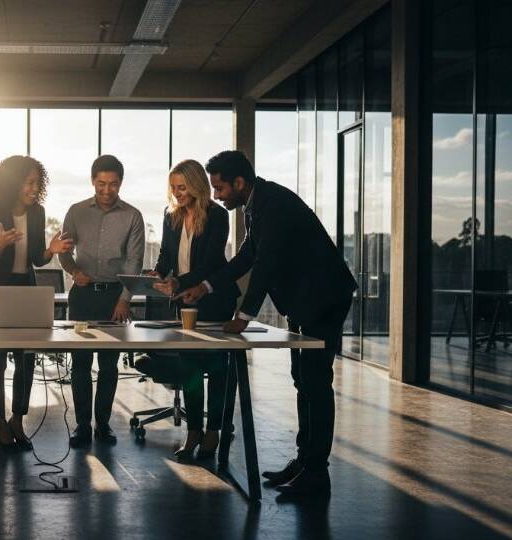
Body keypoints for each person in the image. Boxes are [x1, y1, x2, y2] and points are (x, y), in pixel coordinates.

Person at [176, 150, 357, 495]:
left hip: (324, 299)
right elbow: (247, 256)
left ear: (238, 182)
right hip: (305, 302)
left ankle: (316, 472)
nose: (216, 195)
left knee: (316, 383)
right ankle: (305, 461)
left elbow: (266, 264)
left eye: (220, 188)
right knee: (303, 380)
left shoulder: (273, 204)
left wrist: (244, 316)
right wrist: (206, 286)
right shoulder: (256, 205)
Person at [0, 155, 74, 450]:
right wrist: (0, 243)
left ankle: (17, 419)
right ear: (13, 183)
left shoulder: (37, 212)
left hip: (24, 290)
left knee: (26, 359)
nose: (34, 188)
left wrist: (51, 250)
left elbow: (37, 259)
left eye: (37, 183)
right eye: (29, 182)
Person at [144, 159, 240, 460]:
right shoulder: (171, 216)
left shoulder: (217, 215)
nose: (177, 193)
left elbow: (211, 262)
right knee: (190, 368)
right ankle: (194, 431)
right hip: (184, 300)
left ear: (197, 186)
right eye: (173, 187)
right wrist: (158, 274)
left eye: (183, 187)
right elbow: (166, 255)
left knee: (217, 367)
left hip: (214, 298)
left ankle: (214, 431)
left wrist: (178, 281)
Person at [59, 154, 145, 447]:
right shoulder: (76, 211)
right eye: (101, 184)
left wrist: (124, 300)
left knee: (109, 365)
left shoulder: (133, 216)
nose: (107, 190)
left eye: (113, 184)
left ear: (121, 183)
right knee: (80, 364)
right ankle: (83, 425)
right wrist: (73, 271)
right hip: (82, 297)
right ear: (92, 181)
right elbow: (63, 251)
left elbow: (134, 261)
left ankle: (103, 425)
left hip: (113, 298)